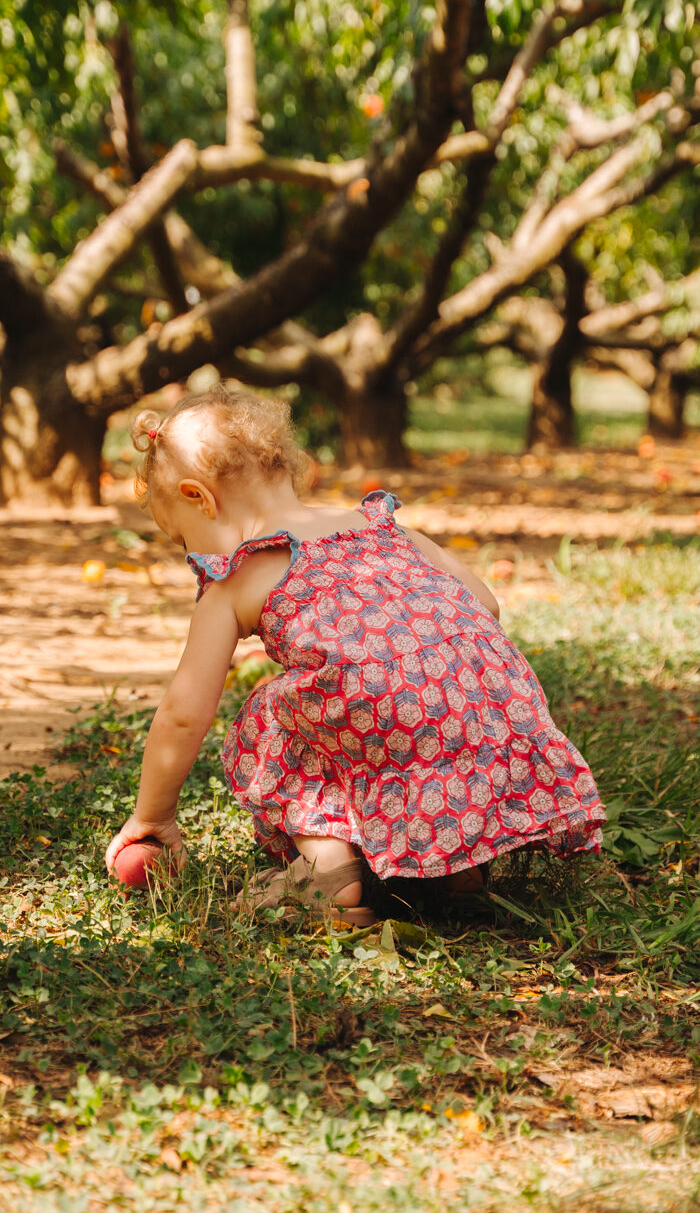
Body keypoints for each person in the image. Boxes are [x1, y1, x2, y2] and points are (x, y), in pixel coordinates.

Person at [105, 387, 605, 924]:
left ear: (199, 497)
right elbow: (484, 602)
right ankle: (458, 870)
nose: (196, 557)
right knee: (392, 709)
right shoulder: (382, 525)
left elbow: (185, 711)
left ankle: (327, 876)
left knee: (272, 713)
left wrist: (151, 816)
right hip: (493, 706)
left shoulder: (237, 578)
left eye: (186, 540)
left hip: (399, 714)